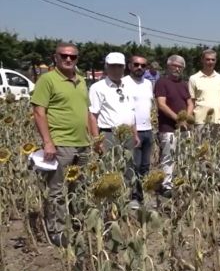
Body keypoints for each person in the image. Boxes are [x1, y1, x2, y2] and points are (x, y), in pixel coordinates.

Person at [31, 42, 91, 247]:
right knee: (57, 189)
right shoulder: (47, 80)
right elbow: (39, 112)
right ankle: (56, 230)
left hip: (83, 143)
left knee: (78, 187)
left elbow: (86, 111)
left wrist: (94, 138)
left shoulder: (82, 81)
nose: (68, 59)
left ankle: (74, 223)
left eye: (72, 57)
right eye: (64, 55)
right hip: (61, 143)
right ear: (55, 57)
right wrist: (48, 142)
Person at [89, 52, 141, 207]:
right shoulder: (98, 88)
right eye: (112, 66)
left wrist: (135, 134)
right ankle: (111, 203)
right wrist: (96, 140)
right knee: (110, 167)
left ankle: (127, 199)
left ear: (124, 67)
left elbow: (131, 112)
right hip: (109, 133)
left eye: (119, 66)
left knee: (129, 167)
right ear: (106, 67)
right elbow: (92, 115)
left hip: (127, 135)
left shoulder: (128, 86)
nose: (116, 70)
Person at [154, 55, 193, 198]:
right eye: (174, 65)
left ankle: (182, 182)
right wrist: (177, 118)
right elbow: (161, 104)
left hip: (184, 128)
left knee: (185, 156)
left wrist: (186, 118)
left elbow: (190, 103)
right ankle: (166, 186)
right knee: (168, 157)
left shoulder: (184, 84)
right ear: (168, 66)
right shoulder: (161, 83)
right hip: (168, 127)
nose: (177, 68)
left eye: (180, 66)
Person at [122, 55, 154, 196]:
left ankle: (143, 194)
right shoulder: (123, 83)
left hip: (148, 129)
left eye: (143, 65)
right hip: (132, 131)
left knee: (145, 165)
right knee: (133, 165)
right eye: (136, 64)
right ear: (129, 66)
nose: (139, 67)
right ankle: (133, 195)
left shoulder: (148, 83)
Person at [188, 49, 220, 140]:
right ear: (202, 60)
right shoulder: (193, 78)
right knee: (200, 151)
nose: (210, 62)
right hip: (200, 121)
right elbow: (191, 101)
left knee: (216, 151)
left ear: (216, 61)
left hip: (218, 120)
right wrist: (189, 120)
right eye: (207, 59)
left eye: (213, 60)